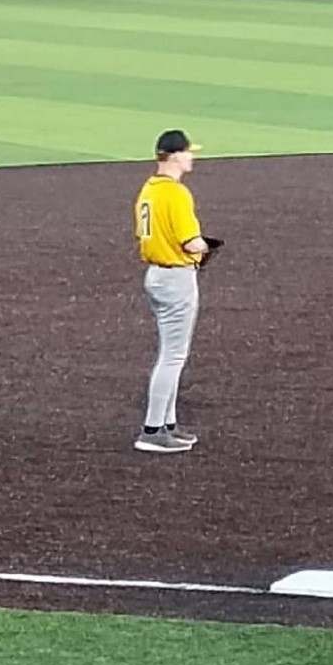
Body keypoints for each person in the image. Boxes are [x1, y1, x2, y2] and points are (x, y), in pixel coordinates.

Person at [132, 129, 210, 453]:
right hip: (176, 276)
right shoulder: (177, 194)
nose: (192, 157)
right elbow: (191, 241)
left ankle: (169, 424)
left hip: (155, 274)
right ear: (175, 155)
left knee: (170, 352)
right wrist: (207, 247)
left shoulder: (148, 189)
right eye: (189, 152)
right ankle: (152, 430)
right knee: (173, 356)